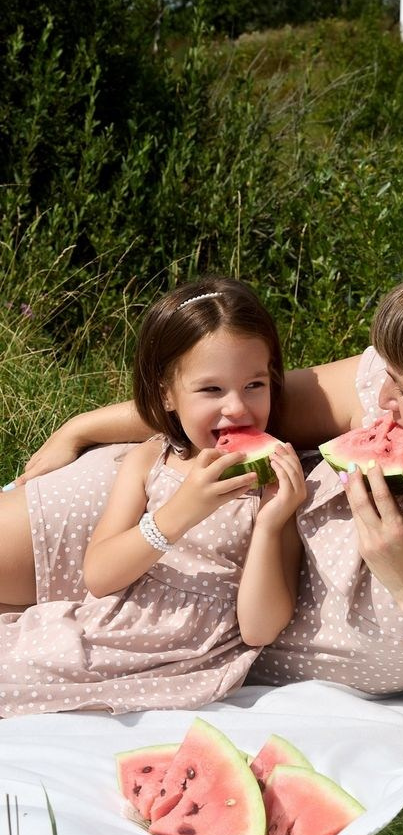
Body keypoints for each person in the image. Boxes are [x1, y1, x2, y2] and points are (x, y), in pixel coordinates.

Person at [0, 258, 403, 727]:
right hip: (159, 509)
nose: (377, 405)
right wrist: (81, 427)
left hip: (187, 638)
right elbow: (232, 405)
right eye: (382, 377)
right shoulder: (381, 386)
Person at [0, 277, 306, 716]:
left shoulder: (275, 484)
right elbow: (100, 577)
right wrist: (181, 511)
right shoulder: (149, 460)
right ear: (167, 395)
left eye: (255, 385)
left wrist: (273, 522)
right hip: (103, 632)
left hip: (185, 661)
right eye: (212, 390)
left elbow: (259, 629)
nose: (237, 407)